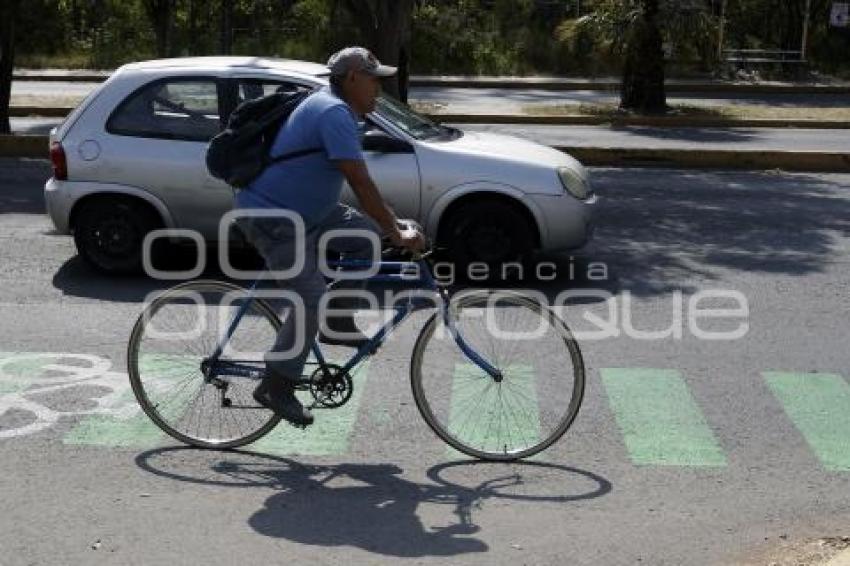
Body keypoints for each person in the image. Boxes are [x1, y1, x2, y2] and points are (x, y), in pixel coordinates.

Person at [234, 46, 425, 427]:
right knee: (310, 297)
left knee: (366, 238)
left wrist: (388, 227)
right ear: (352, 79)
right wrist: (396, 229)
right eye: (374, 81)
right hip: (273, 216)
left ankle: (336, 322)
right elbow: (359, 180)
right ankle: (277, 385)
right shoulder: (333, 112)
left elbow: (360, 186)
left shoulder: (338, 109)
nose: (378, 90)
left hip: (310, 213)